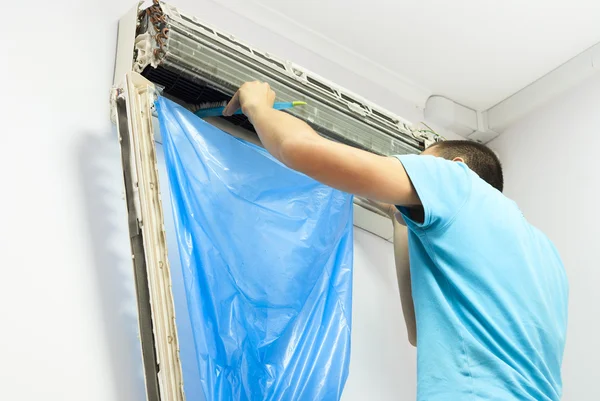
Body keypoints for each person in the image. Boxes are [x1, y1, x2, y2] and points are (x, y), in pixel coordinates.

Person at [223, 82, 569, 401]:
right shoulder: (545, 255)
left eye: (417, 165)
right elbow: (421, 330)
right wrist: (400, 218)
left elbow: (300, 149)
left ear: (457, 165)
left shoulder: (455, 178)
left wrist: (259, 106)